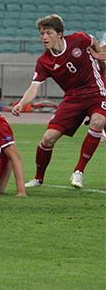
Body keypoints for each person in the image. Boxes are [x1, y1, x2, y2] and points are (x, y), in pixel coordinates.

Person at [12, 15, 106, 189]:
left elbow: (93, 40)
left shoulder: (78, 39)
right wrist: (21, 104)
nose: (44, 37)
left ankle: (78, 171)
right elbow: (33, 87)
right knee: (48, 139)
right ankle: (38, 179)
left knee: (98, 122)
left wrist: (100, 59)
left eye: (48, 32)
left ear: (60, 33)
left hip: (96, 91)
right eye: (42, 33)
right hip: (72, 99)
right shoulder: (44, 61)